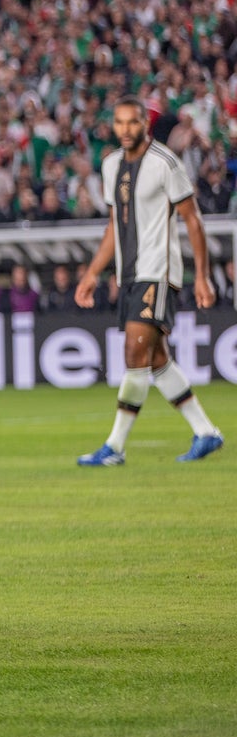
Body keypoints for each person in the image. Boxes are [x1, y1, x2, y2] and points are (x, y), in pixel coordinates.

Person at [75, 98, 224, 465]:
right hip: (129, 274)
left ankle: (115, 447)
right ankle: (206, 432)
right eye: (119, 123)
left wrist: (201, 277)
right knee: (156, 361)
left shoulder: (165, 163)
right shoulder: (111, 165)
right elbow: (114, 225)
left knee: (133, 353)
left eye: (132, 122)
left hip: (158, 271)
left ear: (145, 123)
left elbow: (194, 220)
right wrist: (94, 272)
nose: (126, 129)